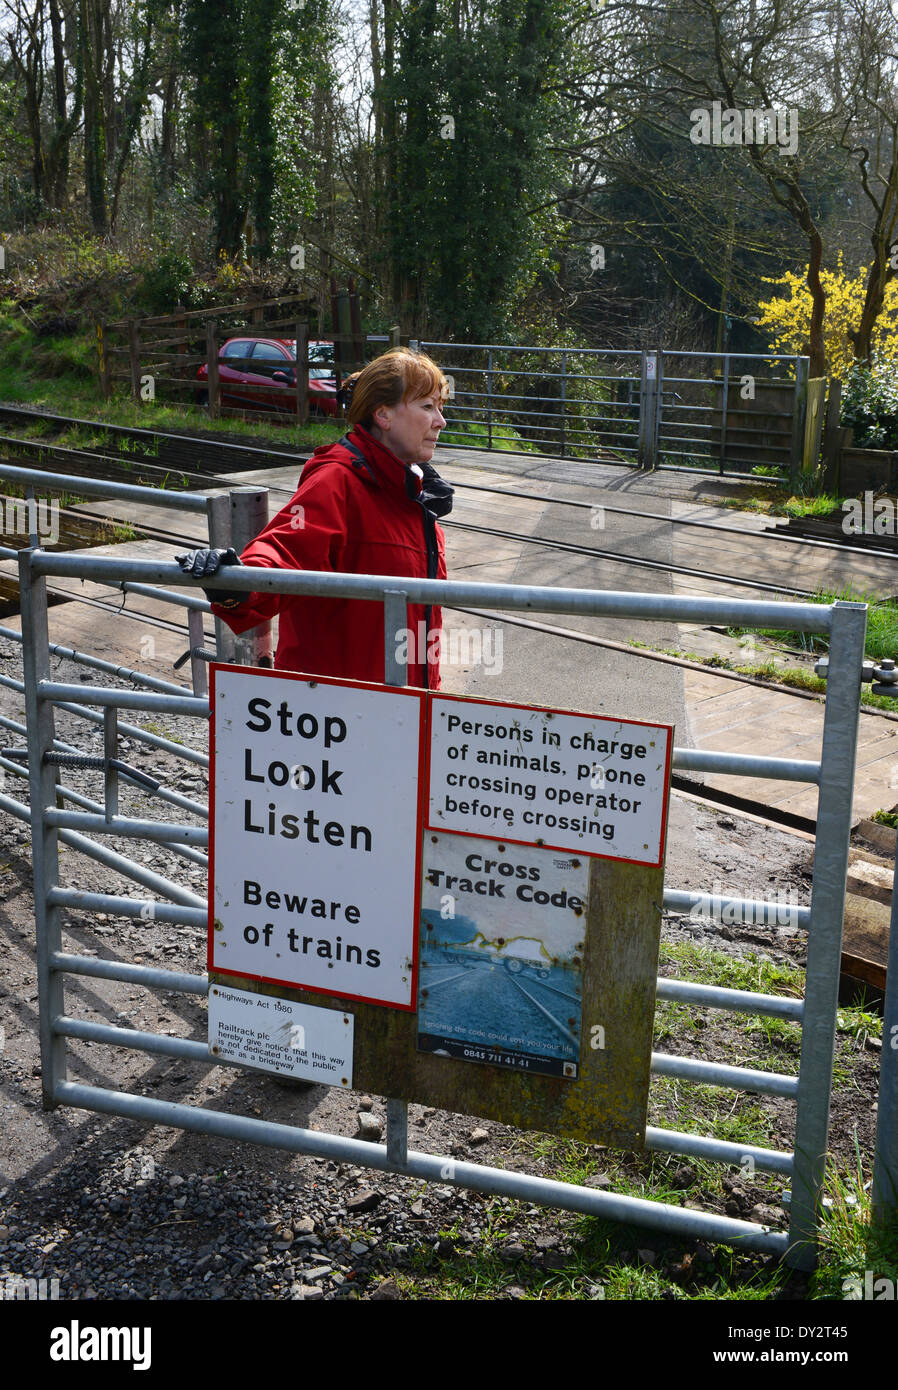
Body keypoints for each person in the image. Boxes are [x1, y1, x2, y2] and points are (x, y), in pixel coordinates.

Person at [176, 347, 453, 689]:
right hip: (334, 713)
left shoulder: (414, 499)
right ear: (384, 415)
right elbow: (286, 547)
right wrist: (237, 581)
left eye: (440, 408)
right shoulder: (338, 482)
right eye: (427, 407)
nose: (440, 421)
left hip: (404, 707)